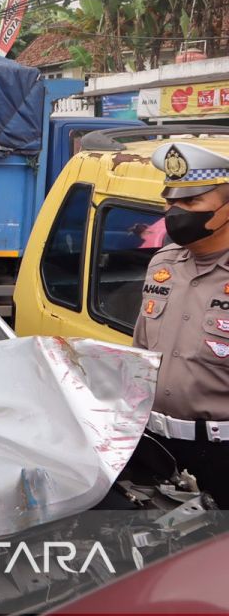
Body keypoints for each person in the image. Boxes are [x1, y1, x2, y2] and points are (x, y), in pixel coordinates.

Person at [133, 141, 229, 507]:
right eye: (171, 202)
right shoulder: (164, 263)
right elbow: (141, 350)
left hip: (221, 452)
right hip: (156, 448)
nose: (175, 213)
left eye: (191, 203)